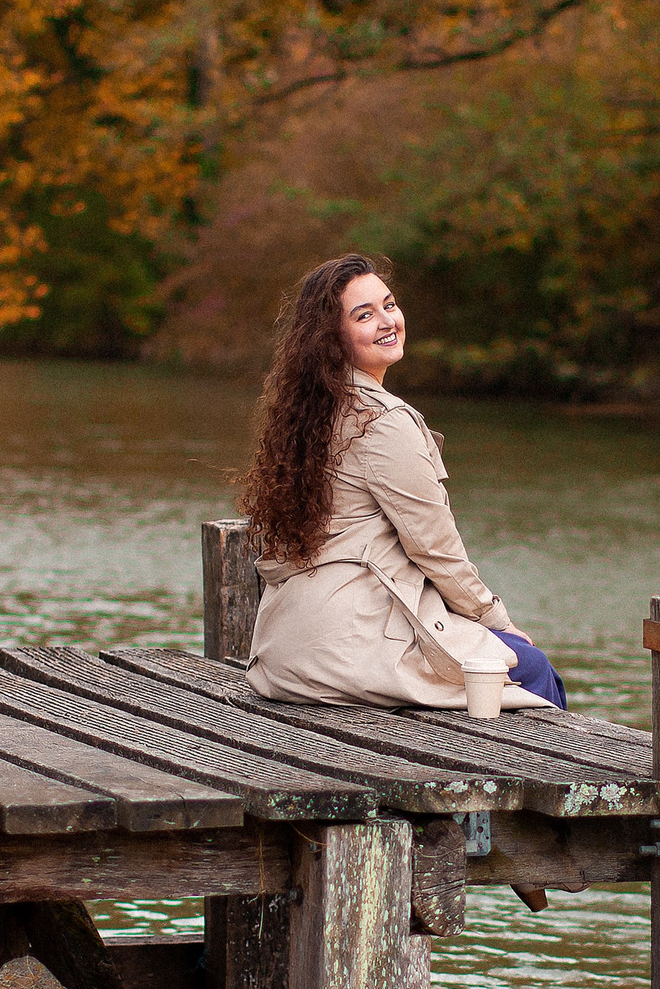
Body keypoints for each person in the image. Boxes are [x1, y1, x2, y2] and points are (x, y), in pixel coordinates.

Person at [238, 253, 568, 711]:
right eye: (364, 315)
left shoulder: (309, 412)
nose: (387, 321)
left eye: (389, 305)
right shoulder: (382, 421)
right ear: (331, 337)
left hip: (285, 654)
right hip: (347, 648)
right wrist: (496, 620)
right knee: (531, 668)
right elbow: (435, 547)